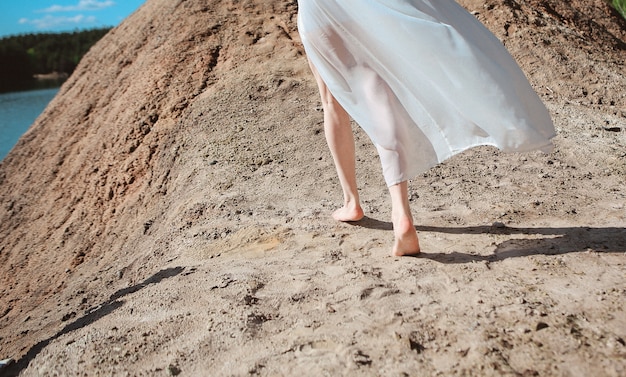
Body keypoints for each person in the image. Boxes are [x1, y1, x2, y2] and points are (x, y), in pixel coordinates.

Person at [297, 0, 556, 256]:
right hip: (362, 8)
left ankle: (351, 202)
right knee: (377, 96)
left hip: (316, 12)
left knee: (332, 103)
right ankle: (400, 213)